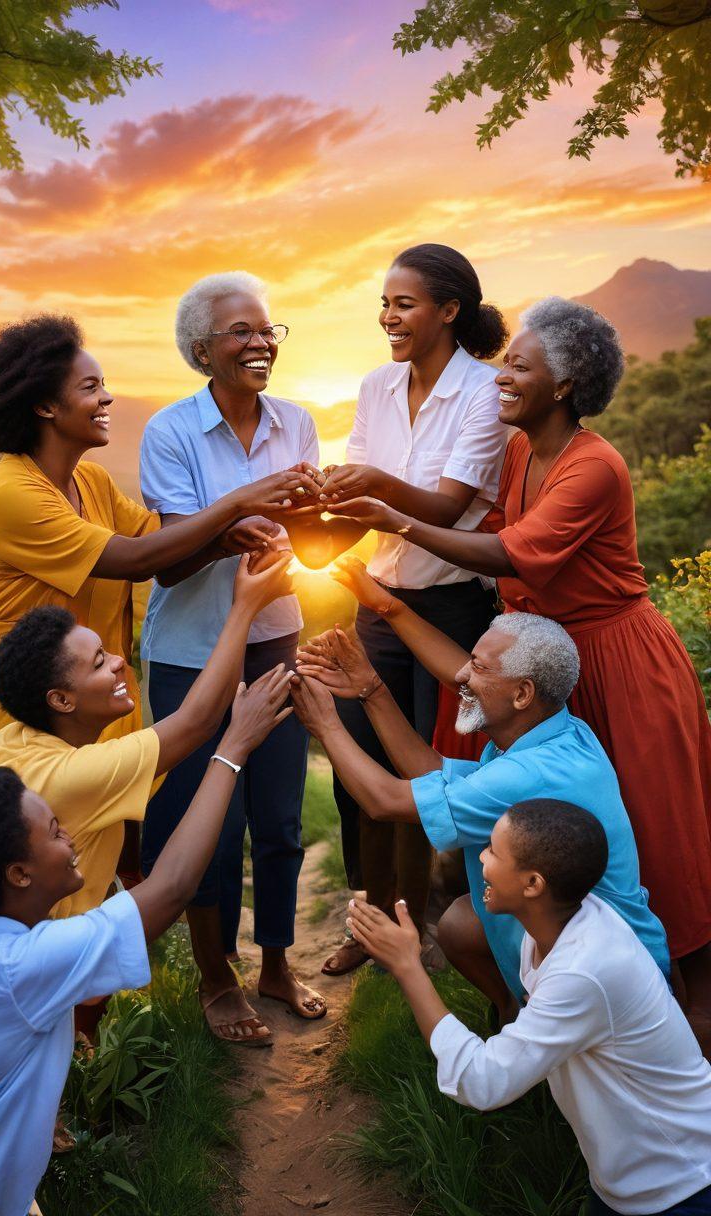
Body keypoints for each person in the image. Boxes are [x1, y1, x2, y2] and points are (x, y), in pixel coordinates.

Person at [326, 296, 711, 1049]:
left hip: (616, 662)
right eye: (505, 362)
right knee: (537, 831)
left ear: (564, 386)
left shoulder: (595, 465)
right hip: (539, 659)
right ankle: (545, 1003)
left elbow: (510, 551)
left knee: (648, 832)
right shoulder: (514, 452)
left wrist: (390, 518)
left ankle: (683, 1004)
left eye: (519, 366)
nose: (502, 375)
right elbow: (478, 526)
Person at [0, 663, 292, 1216]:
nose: (69, 836)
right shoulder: (23, 964)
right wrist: (233, 746)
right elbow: (172, 889)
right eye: (54, 832)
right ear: (18, 875)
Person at [0, 552, 291, 1075]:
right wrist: (244, 607)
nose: (119, 661)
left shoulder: (25, 739)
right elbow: (197, 721)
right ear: (60, 699)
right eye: (98, 662)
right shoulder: (70, 776)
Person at [0, 313, 315, 829]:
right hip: (5, 696)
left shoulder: (92, 480)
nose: (107, 399)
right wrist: (239, 502)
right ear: (44, 406)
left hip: (79, 689)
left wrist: (225, 541)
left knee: (74, 851)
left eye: (104, 384)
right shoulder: (11, 493)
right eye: (90, 387)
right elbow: (135, 560)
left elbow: (161, 544)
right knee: (6, 850)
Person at [292, 609, 669, 1022]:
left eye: (479, 667)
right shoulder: (552, 734)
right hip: (580, 939)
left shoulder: (528, 773)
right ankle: (513, 1011)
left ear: (522, 694)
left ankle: (534, 1027)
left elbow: (385, 802)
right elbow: (431, 771)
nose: (462, 677)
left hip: (610, 978)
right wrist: (372, 688)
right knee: (460, 922)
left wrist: (326, 725)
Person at [347, 800, 711, 1216]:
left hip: (683, 1181)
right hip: (628, 1179)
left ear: (533, 883)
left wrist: (409, 967)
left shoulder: (583, 970)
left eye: (493, 852)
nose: (481, 856)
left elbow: (482, 1082)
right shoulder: (553, 930)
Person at [307, 244, 509, 978]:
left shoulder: (485, 391)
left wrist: (377, 484)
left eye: (405, 304)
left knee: (433, 774)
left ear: (449, 310)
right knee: (357, 765)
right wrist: (309, 515)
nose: (389, 317)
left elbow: (450, 508)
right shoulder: (375, 388)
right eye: (385, 304)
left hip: (454, 608)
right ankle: (371, 918)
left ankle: (420, 921)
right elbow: (363, 512)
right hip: (380, 605)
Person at [138, 271, 327, 1044]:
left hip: (276, 634)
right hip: (191, 654)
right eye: (241, 332)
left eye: (267, 330)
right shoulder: (171, 432)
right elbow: (170, 560)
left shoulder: (298, 423)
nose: (260, 343)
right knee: (201, 821)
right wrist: (237, 519)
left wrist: (314, 519)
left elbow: (310, 535)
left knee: (278, 812)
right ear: (200, 349)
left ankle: (276, 963)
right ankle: (217, 978)